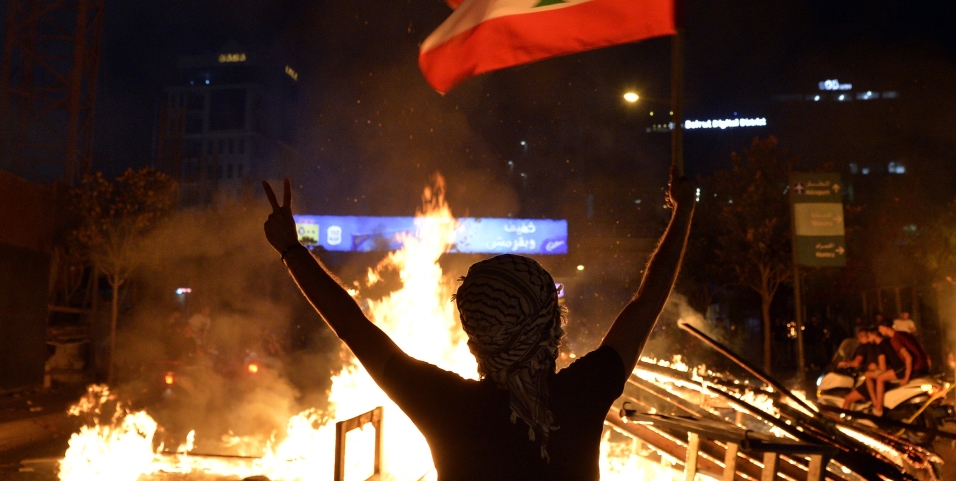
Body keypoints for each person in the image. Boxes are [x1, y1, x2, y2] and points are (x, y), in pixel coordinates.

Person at [261, 175, 694, 480]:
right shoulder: (583, 395)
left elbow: (352, 327)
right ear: (552, 332)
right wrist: (684, 211)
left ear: (474, 342)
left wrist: (291, 250)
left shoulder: (448, 407)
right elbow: (647, 302)